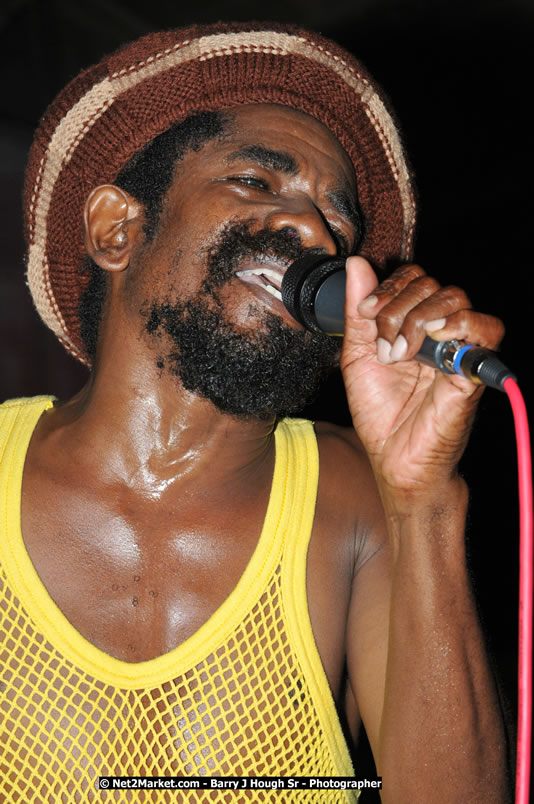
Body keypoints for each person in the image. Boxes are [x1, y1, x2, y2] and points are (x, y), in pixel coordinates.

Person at [0, 21, 509, 803]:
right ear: (116, 229)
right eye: (256, 181)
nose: (315, 232)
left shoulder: (354, 500)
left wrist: (424, 501)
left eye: (338, 220)